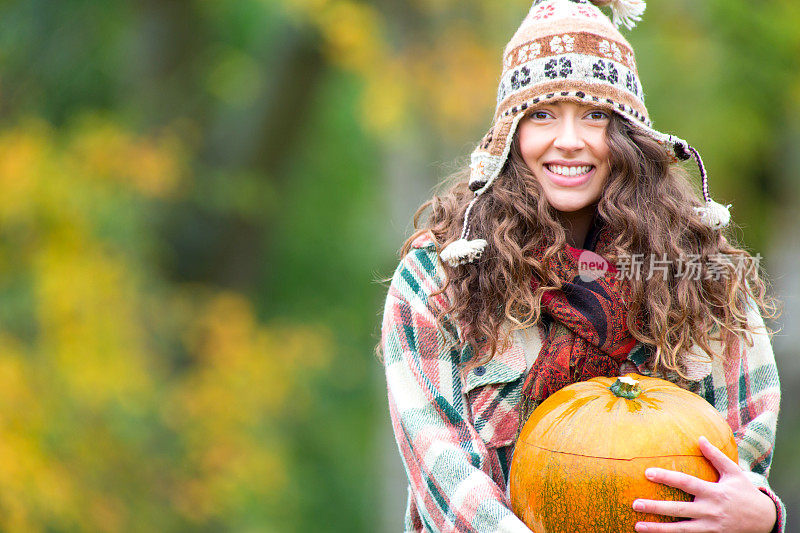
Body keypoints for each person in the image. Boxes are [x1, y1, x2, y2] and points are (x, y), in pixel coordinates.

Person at [378, 0, 785, 532]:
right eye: (542, 114)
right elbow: (441, 468)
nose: (568, 141)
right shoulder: (440, 277)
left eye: (595, 115)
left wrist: (761, 514)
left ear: (630, 137)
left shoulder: (698, 269)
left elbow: (746, 444)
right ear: (508, 135)